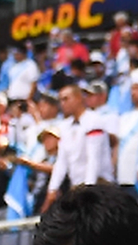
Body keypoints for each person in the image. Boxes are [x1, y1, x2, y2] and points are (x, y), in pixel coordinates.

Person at [44, 76, 117, 212]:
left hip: (99, 185)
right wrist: (52, 189)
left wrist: (88, 191)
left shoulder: (94, 121)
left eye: (66, 99)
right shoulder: (64, 126)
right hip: (77, 187)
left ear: (78, 98)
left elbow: (93, 160)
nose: (62, 104)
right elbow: (62, 161)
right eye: (61, 100)